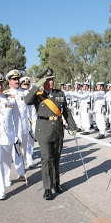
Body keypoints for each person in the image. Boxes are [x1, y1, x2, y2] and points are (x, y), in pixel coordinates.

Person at [25, 68, 76, 200]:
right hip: (44, 131)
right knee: (46, 159)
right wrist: (36, 86)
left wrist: (72, 125)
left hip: (58, 130)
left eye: (52, 79)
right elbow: (26, 100)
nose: (52, 82)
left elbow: (66, 111)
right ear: (43, 82)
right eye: (48, 80)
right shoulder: (38, 95)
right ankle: (47, 188)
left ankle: (56, 183)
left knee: (56, 159)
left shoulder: (60, 93)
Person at [4, 69, 29, 183]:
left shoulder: (25, 93)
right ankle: (7, 176)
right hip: (11, 127)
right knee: (10, 152)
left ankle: (21, 172)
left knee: (21, 149)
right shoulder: (5, 95)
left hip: (23, 125)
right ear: (9, 81)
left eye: (17, 79)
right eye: (14, 79)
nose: (16, 81)